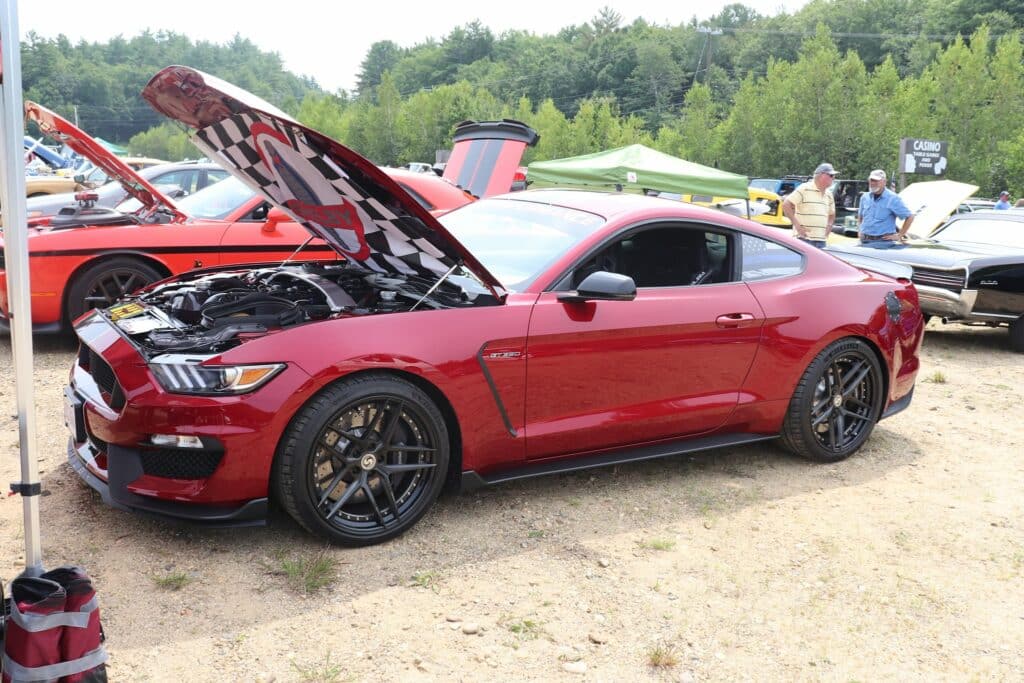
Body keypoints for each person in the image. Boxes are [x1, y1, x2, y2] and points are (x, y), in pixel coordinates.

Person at [782, 162, 836, 248]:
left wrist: (829, 226)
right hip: (803, 239)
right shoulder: (804, 188)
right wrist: (797, 225)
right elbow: (786, 204)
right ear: (821, 175)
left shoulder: (829, 194)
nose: (833, 178)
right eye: (831, 175)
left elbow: (832, 214)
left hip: (821, 241)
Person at [857, 169, 914, 247]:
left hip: (883, 243)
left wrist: (899, 235)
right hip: (864, 241)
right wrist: (859, 230)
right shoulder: (865, 197)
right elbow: (860, 216)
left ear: (884, 182)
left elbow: (910, 217)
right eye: (871, 180)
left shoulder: (892, 198)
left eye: (876, 181)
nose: (873, 183)